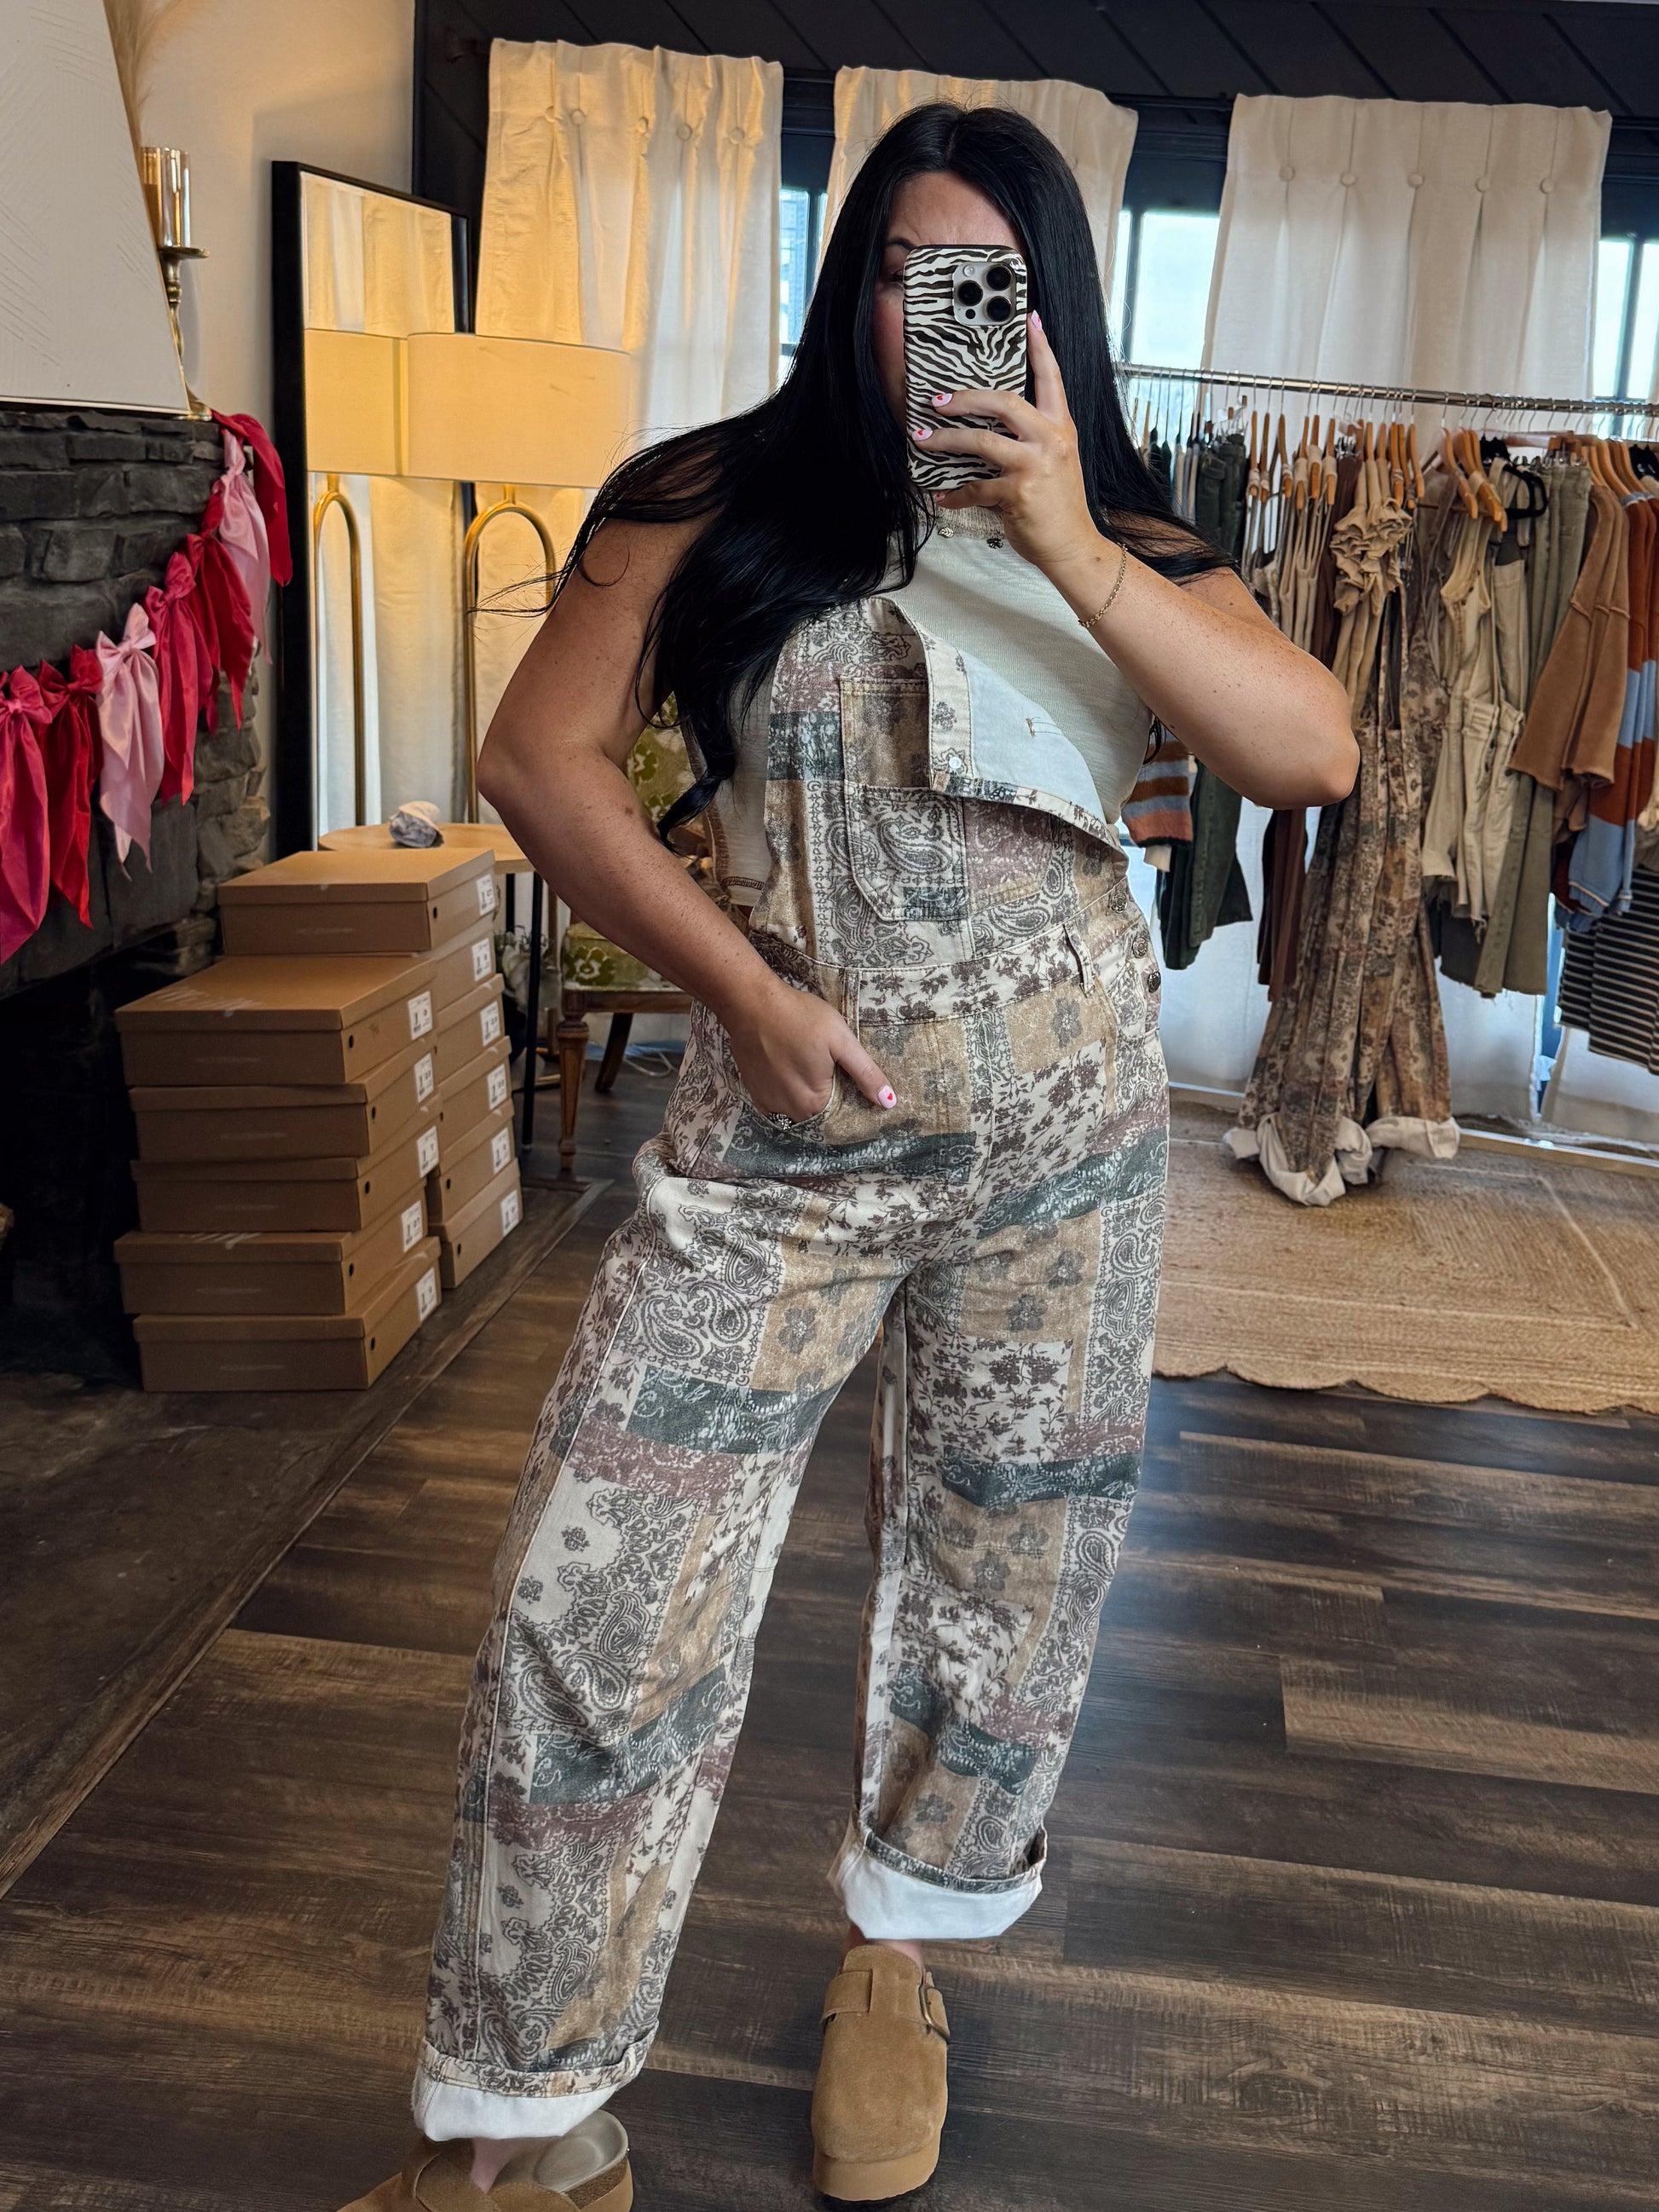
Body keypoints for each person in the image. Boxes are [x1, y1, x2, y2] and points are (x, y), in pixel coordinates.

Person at [343, 102, 1355, 2212]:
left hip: (1062, 1147)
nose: (934, 317)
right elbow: (536, 756)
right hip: (780, 1127)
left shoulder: (1130, 538)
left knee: (1007, 1568)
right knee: (597, 1585)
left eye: (984, 281)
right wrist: (732, 986)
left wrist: (1065, 531)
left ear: (1049, 312)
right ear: (851, 288)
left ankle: (898, 1958)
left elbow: (1307, 749)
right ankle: (524, 2129)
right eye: (903, 272)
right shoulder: (711, 497)